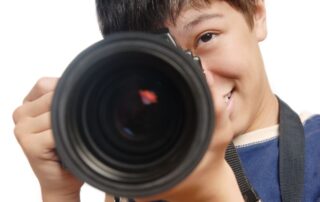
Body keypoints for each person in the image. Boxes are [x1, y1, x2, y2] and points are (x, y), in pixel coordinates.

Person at [12, 0, 320, 201]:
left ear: (256, 13)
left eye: (206, 37)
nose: (197, 78)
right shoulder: (136, 159)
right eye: (161, 60)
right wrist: (60, 193)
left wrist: (211, 193)